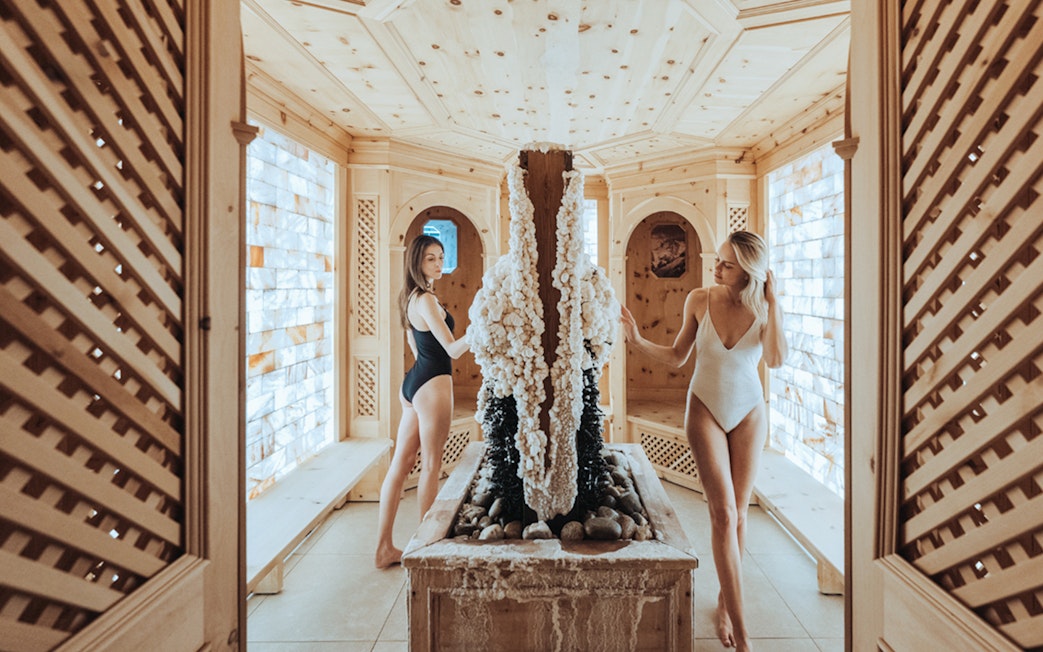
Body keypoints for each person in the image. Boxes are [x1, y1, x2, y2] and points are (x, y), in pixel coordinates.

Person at [620, 230, 787, 651]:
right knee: (724, 515)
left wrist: (775, 304)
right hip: (705, 409)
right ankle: (744, 637)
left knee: (740, 515)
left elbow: (776, 359)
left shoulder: (764, 308)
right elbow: (678, 356)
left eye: (727, 264)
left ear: (748, 271)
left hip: (749, 412)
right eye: (719, 260)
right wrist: (637, 340)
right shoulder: (699, 299)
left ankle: (726, 605)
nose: (716, 268)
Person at [375, 235, 470, 569]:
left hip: (414, 383)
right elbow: (453, 350)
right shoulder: (426, 300)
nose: (438, 263)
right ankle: (427, 547)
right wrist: (481, 327)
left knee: (400, 466)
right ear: (417, 262)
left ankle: (384, 548)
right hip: (432, 383)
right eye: (431, 258)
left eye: (441, 256)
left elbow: (415, 347)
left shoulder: (411, 297)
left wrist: (422, 379)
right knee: (431, 465)